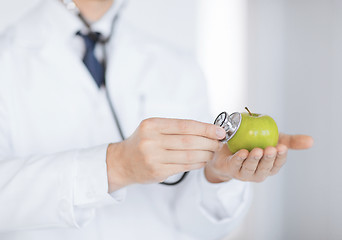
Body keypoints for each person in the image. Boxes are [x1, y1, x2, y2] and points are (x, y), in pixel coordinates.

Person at [0, 0, 313, 239]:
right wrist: (114, 166)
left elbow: (195, 225)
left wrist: (216, 176)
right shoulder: (8, 57)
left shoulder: (177, 66)